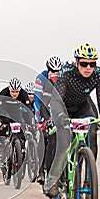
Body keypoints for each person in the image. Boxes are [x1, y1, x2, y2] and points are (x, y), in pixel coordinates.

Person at [43, 43, 100, 197]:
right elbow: (57, 99)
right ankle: (52, 179)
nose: (88, 67)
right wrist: (60, 117)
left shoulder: (99, 74)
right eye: (84, 64)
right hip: (61, 106)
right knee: (61, 142)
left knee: (92, 132)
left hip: (82, 107)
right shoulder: (66, 72)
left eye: (92, 64)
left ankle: (88, 180)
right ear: (76, 63)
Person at [34, 56, 62, 184]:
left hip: (57, 109)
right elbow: (37, 99)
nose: (55, 73)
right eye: (52, 70)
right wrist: (41, 118)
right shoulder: (41, 79)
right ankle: (40, 171)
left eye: (57, 71)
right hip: (43, 108)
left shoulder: (63, 78)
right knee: (43, 138)